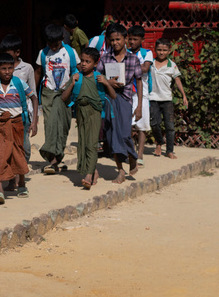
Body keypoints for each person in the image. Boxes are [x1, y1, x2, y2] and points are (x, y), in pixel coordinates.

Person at [62, 47, 115, 189]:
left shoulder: (99, 78)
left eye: (88, 61)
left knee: (92, 144)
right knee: (83, 143)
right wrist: (72, 84)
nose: (84, 64)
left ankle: (88, 175)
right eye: (82, 61)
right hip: (80, 112)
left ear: (95, 63)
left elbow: (113, 96)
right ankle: (94, 171)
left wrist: (106, 83)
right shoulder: (76, 77)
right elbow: (63, 98)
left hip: (95, 113)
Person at [97, 23, 143, 184]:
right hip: (109, 100)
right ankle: (121, 170)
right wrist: (107, 82)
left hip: (125, 100)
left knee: (124, 134)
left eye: (118, 39)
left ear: (125, 39)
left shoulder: (133, 59)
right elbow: (97, 77)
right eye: (112, 40)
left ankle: (132, 156)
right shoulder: (104, 59)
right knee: (111, 135)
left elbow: (139, 81)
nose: (115, 43)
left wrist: (139, 106)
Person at [0, 52, 31, 204]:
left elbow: (34, 97)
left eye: (10, 68)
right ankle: (0, 191)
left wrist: (34, 121)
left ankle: (22, 184)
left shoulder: (18, 83)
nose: (7, 72)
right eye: (3, 68)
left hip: (17, 123)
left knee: (18, 153)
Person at [36, 23, 78, 175]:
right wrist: (34, 94)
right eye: (50, 44)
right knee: (50, 124)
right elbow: (38, 72)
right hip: (48, 93)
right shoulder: (43, 53)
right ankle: (53, 160)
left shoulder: (71, 52)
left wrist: (74, 91)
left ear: (62, 39)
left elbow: (76, 72)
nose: (53, 47)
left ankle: (57, 156)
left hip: (66, 93)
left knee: (63, 126)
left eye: (56, 44)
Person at [0, 33, 38, 165]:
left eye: (8, 52)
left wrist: (34, 120)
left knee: (24, 142)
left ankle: (23, 165)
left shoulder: (27, 68)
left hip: (23, 113)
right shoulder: (0, 68)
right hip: (5, 112)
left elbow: (34, 95)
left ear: (17, 52)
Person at [148, 39, 188, 159]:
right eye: (159, 50)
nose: (161, 52)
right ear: (155, 50)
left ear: (169, 51)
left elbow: (177, 80)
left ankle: (169, 150)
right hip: (153, 98)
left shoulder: (172, 65)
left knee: (170, 126)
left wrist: (184, 95)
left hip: (167, 100)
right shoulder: (150, 64)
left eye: (165, 50)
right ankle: (159, 142)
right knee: (154, 123)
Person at [127, 25, 153, 164]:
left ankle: (140, 154)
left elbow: (145, 69)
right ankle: (132, 152)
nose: (132, 42)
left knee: (142, 125)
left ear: (142, 39)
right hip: (128, 92)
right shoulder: (126, 52)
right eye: (130, 39)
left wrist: (129, 67)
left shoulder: (147, 53)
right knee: (129, 125)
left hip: (142, 93)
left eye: (135, 39)